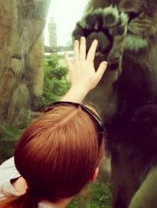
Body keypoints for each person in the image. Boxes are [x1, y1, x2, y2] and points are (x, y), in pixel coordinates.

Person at [0, 37, 108, 208]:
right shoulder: (14, 168)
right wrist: (80, 87)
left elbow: (44, 143)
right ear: (93, 175)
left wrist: (79, 88)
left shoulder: (5, 176)